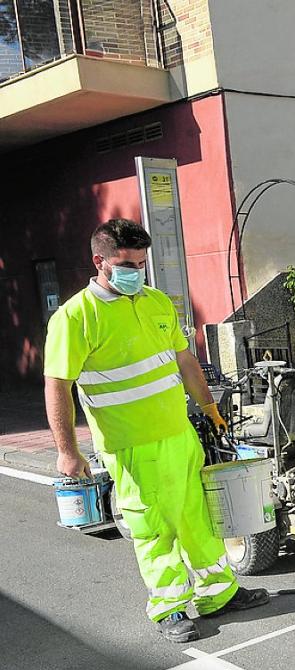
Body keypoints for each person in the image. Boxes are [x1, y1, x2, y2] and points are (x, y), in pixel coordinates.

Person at [44, 219, 268, 643]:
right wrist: (66, 450)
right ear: (99, 261)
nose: (137, 271)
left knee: (196, 518)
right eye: (127, 263)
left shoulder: (157, 302)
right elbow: (57, 385)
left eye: (141, 263)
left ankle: (219, 593)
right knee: (152, 527)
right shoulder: (75, 317)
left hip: (178, 435)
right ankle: (168, 608)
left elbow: (185, 359)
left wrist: (209, 407)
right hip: (129, 446)